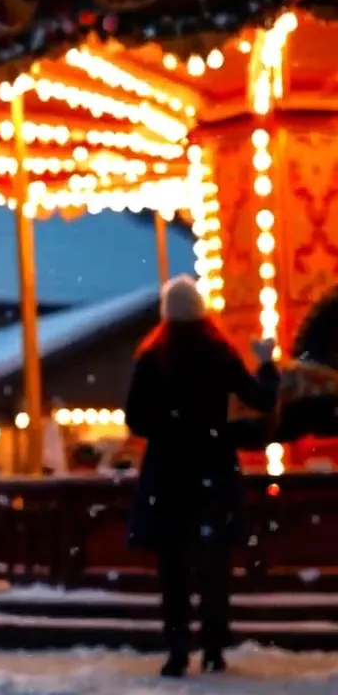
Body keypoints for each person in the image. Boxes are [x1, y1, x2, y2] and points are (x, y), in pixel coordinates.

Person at [126, 275, 278, 679]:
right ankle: (214, 647)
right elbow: (260, 399)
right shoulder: (218, 353)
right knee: (214, 565)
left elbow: (135, 417)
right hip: (212, 468)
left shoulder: (152, 357)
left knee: (173, 569)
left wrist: (168, 429)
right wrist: (266, 365)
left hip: (168, 475)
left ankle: (177, 650)